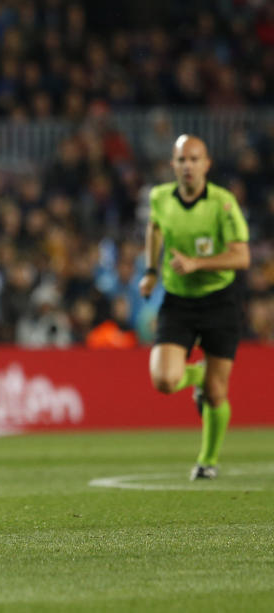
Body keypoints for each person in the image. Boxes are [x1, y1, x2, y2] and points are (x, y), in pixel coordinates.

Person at [139, 134, 250, 480]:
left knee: (217, 396)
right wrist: (152, 271)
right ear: (173, 164)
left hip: (219, 300)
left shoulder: (223, 203)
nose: (187, 166)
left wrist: (197, 264)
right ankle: (199, 374)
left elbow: (242, 256)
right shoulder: (159, 197)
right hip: (179, 301)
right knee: (165, 380)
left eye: (194, 159)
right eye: (181, 160)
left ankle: (207, 460)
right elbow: (155, 228)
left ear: (207, 164)